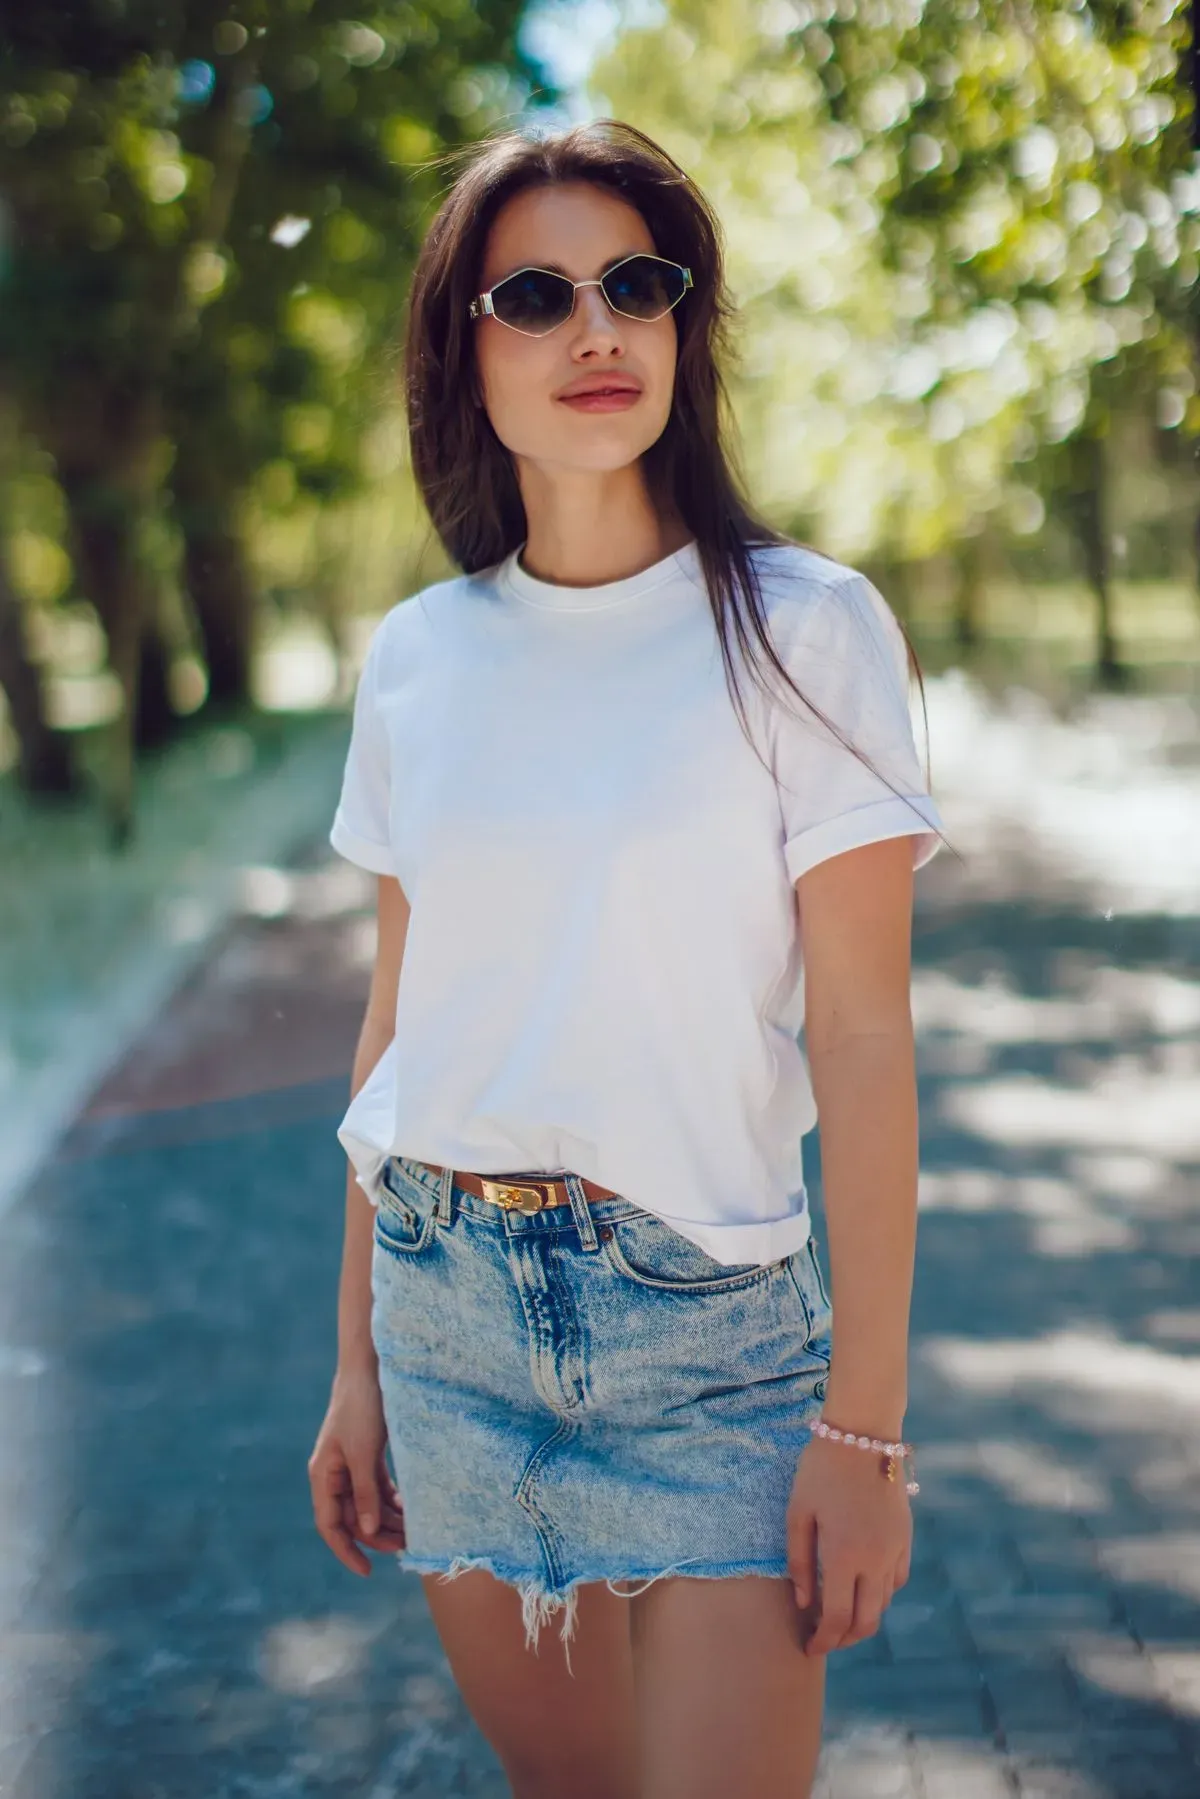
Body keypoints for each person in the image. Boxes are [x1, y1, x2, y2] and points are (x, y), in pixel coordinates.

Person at [308, 117, 946, 1799]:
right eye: (537, 294)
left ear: (682, 325)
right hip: (444, 1318)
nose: (597, 328)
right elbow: (396, 1032)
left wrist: (865, 1428)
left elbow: (869, 1045)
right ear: (471, 346)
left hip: (708, 1346)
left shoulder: (809, 630)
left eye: (636, 285)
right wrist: (356, 1368)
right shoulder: (419, 660)